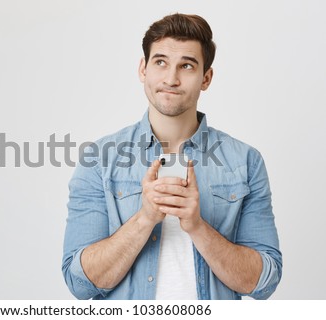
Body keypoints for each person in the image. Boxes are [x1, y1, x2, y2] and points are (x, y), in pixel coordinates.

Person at [62, 13, 282, 300]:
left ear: (206, 78)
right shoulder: (99, 159)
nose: (171, 78)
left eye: (187, 66)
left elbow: (264, 281)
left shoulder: (245, 161)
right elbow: (79, 283)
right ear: (143, 69)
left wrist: (197, 226)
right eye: (160, 62)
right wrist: (145, 218)